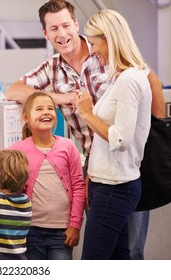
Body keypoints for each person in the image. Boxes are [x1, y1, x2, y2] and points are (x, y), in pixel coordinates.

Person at [5, 0, 165, 260]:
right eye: (54, 28)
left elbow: (148, 80)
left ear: (76, 24)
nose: (62, 34)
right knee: (114, 252)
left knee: (130, 250)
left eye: (66, 25)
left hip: (126, 167)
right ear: (46, 34)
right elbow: (13, 90)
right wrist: (60, 98)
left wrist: (155, 132)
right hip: (98, 167)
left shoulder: (106, 54)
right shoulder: (52, 68)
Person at [74, 9, 152, 260]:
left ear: (109, 39)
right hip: (105, 184)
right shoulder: (122, 78)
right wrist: (93, 176)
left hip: (115, 187)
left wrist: (87, 113)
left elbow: (120, 139)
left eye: (95, 43)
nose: (93, 51)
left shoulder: (130, 80)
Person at [0, 92, 85, 260]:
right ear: (26, 118)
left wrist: (75, 225)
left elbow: (78, 187)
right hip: (30, 231)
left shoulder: (68, 146)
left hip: (62, 232)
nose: (46, 112)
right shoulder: (19, 149)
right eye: (39, 109)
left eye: (50, 108)